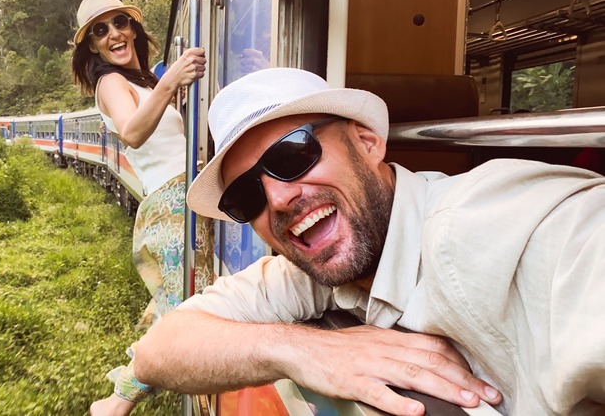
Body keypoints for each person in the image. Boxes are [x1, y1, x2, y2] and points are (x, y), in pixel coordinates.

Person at [132, 68, 605, 415]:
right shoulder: (313, 266)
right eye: (246, 196)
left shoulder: (503, 225)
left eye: (292, 155)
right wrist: (305, 350)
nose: (276, 198)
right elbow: (157, 351)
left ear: (367, 143)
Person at [70, 0, 215, 415]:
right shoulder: (110, 83)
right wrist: (171, 81)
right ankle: (117, 402)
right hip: (169, 208)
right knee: (187, 310)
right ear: (92, 46)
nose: (113, 34)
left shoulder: (144, 82)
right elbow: (132, 132)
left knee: (185, 304)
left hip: (185, 198)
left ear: (133, 28)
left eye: (120, 22)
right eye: (101, 30)